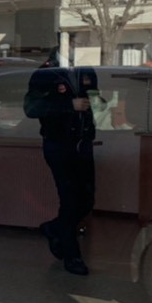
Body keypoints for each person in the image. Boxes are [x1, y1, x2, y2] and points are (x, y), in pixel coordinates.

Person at [23, 49, 97, 276]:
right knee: (70, 200)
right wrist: (68, 106)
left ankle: (54, 229)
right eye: (72, 41)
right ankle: (72, 256)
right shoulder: (45, 74)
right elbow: (32, 108)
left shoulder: (86, 70)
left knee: (86, 200)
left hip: (82, 144)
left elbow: (94, 98)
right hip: (59, 144)